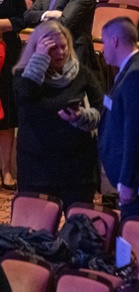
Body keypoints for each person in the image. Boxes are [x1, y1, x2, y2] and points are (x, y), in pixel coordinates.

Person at [14, 20, 101, 208]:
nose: (61, 53)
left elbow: (102, 108)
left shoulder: (82, 74)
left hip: (78, 170)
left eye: (64, 47)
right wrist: (40, 60)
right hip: (38, 170)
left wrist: (82, 117)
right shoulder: (23, 76)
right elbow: (24, 96)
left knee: (78, 232)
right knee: (34, 234)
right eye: (53, 48)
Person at [98, 17, 139, 218]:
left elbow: (136, 133)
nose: (102, 48)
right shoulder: (132, 69)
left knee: (136, 231)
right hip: (132, 178)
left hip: (137, 183)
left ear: (115, 41)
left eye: (103, 41)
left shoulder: (138, 74)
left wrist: (128, 181)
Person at [0, 0, 25, 189]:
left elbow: (22, 19)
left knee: (6, 116)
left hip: (8, 56)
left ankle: (7, 171)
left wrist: (2, 24)